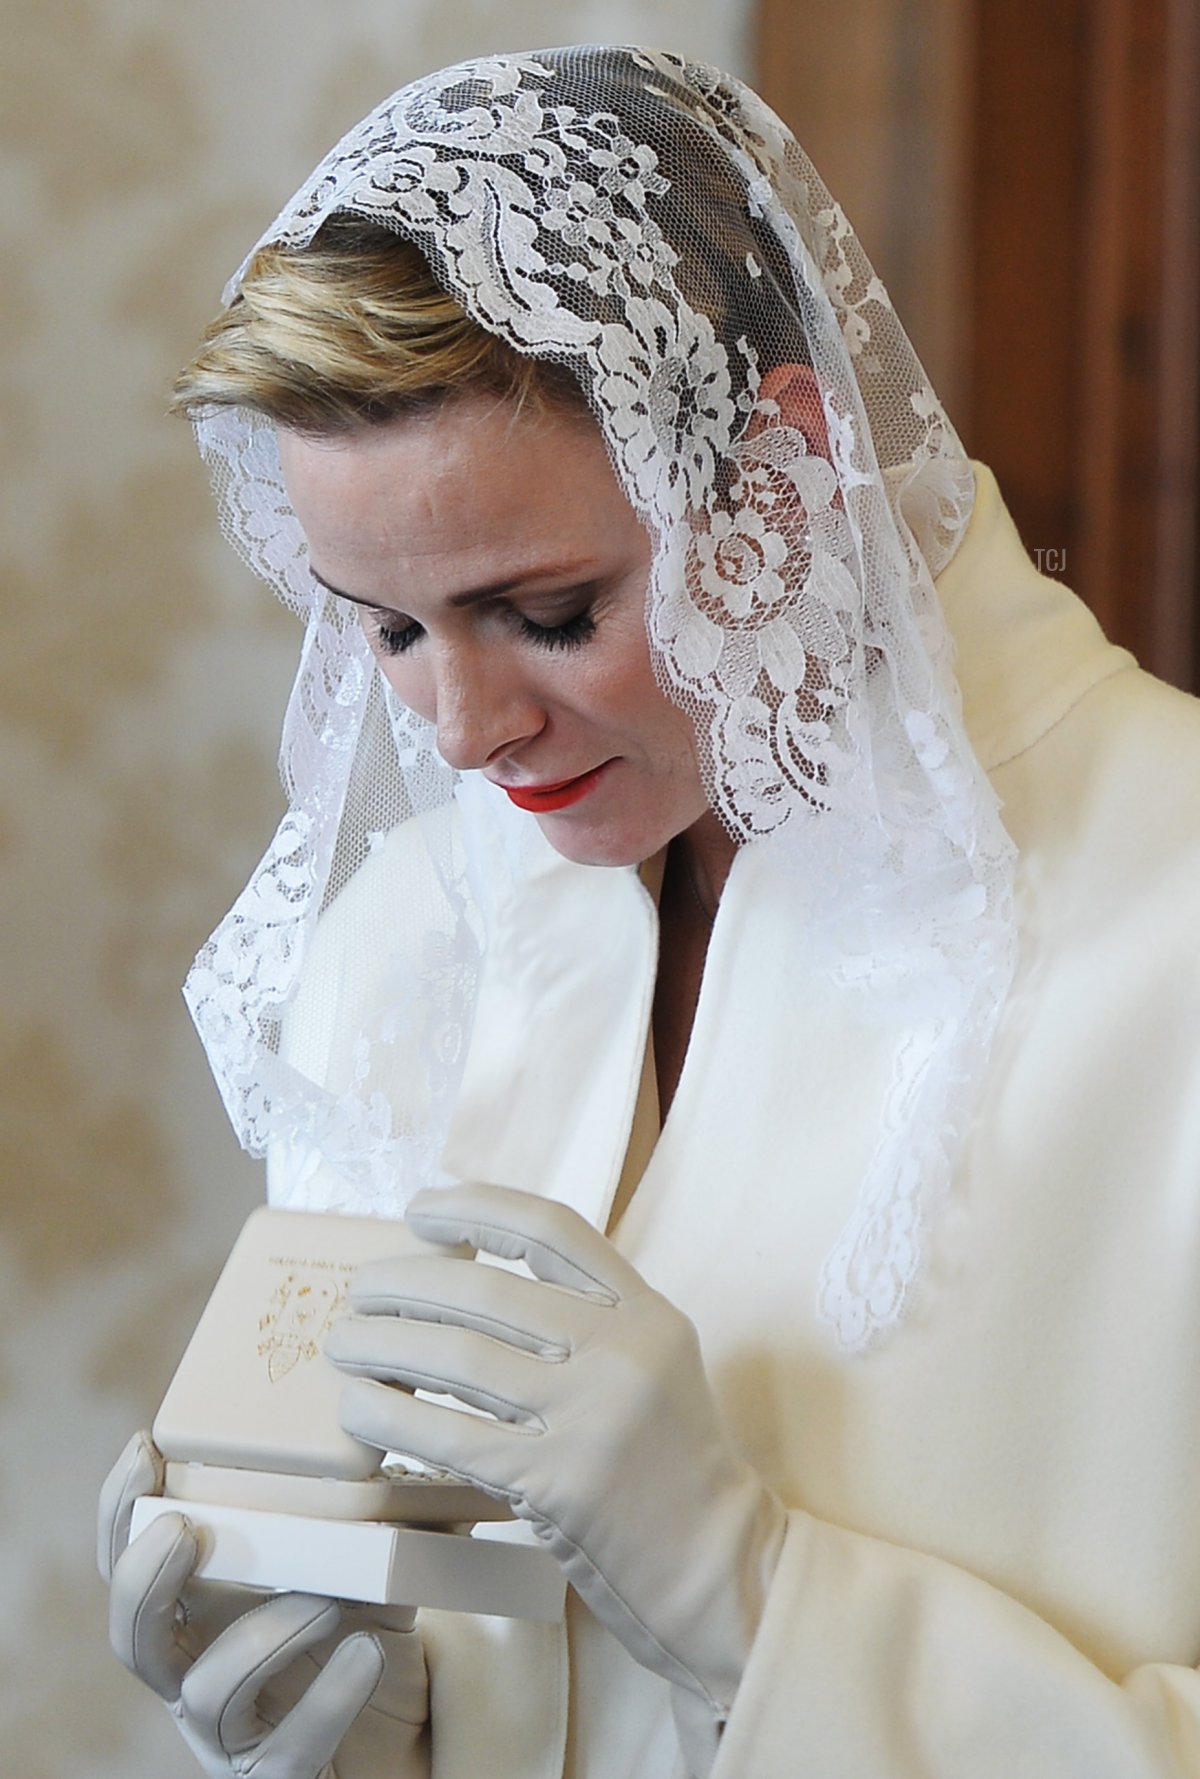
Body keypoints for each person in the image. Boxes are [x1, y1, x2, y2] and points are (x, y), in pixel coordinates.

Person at [97, 43, 1200, 1779]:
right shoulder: (403, 958)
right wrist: (368, 1722)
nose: (462, 734)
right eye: (385, 628)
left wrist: (756, 1602)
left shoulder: (1178, 920)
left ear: (777, 473)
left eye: (543, 608)